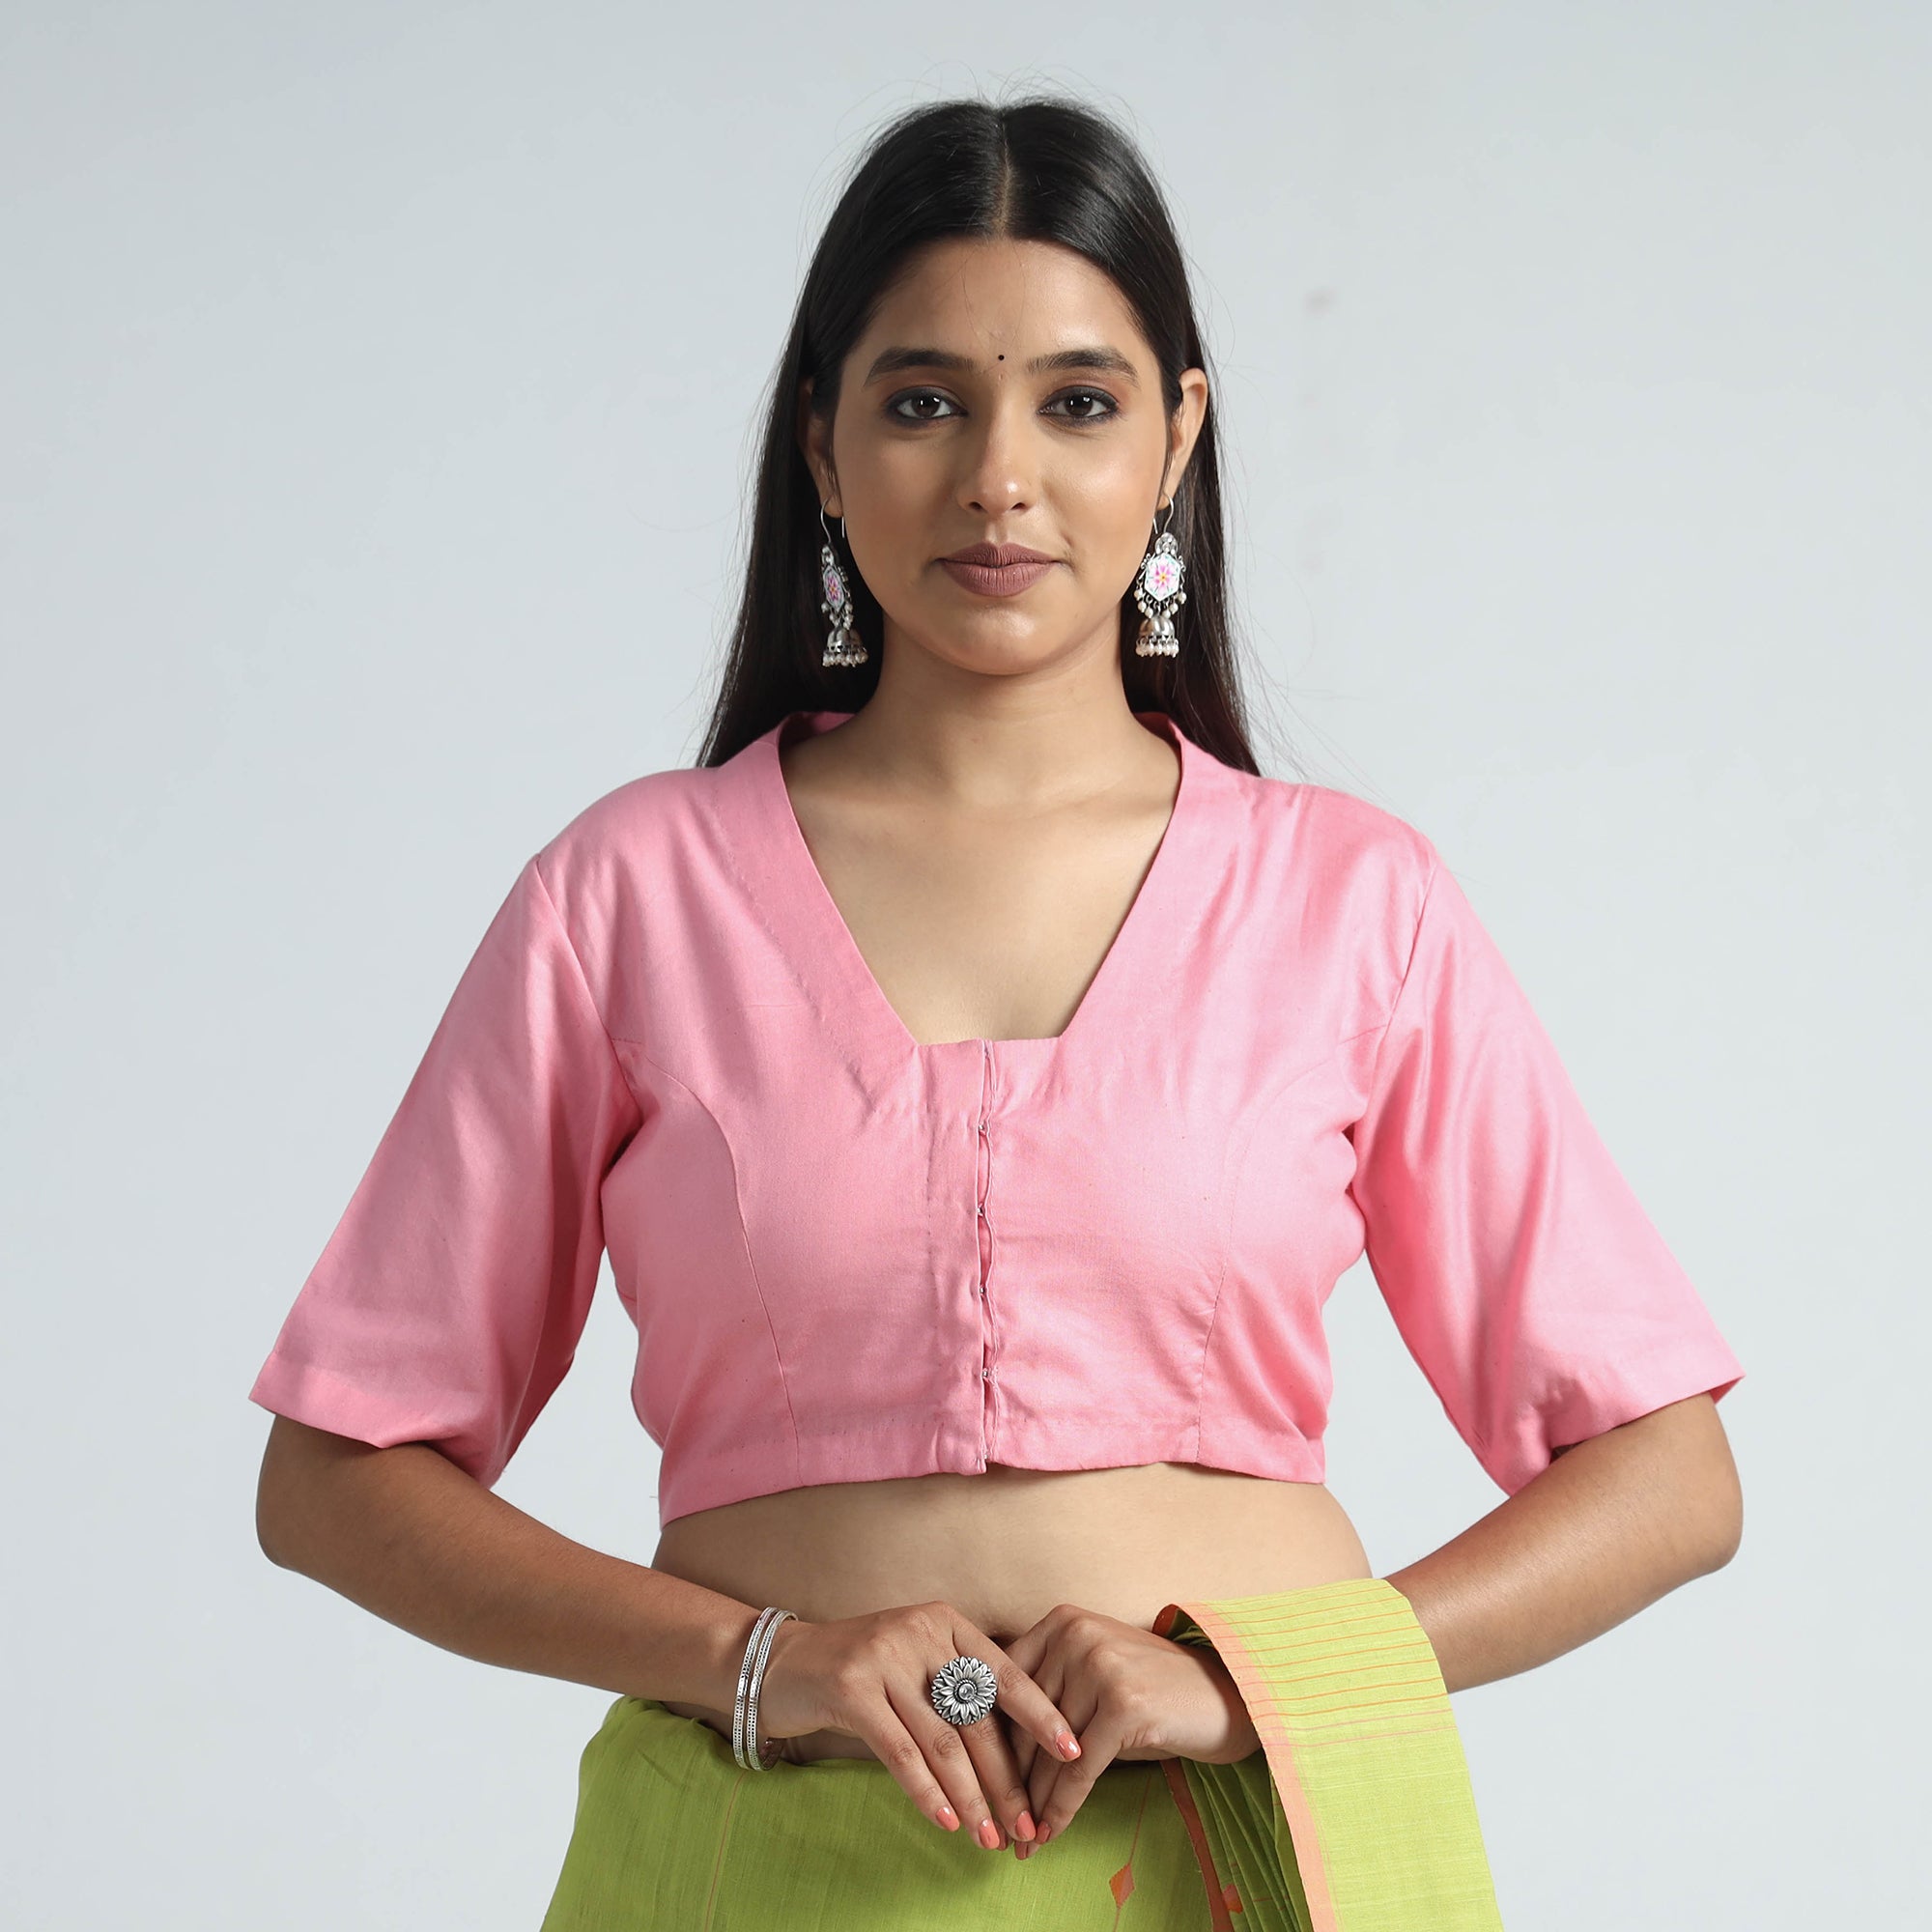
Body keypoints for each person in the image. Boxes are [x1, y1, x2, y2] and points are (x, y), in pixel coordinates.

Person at [248, 94, 1747, 1930]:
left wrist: (1261, 1685)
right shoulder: (629, 895)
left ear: (1179, 435)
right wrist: (758, 1658)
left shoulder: (1355, 902)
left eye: (1079, 402)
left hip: (1260, 1855)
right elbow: (335, 1478)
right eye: (923, 402)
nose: (998, 478)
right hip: (761, 1861)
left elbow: (1669, 1476)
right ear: (821, 441)